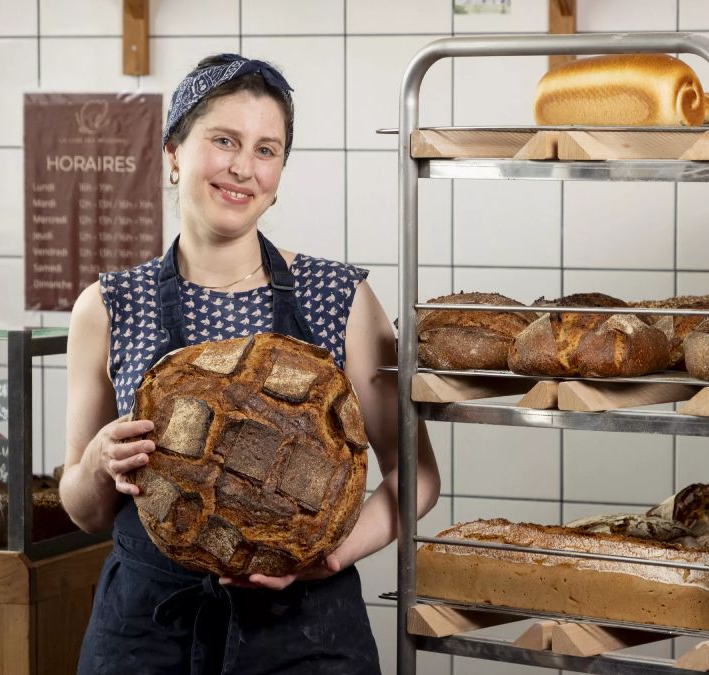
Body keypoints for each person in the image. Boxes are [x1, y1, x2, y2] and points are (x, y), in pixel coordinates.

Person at [59, 53, 441, 674]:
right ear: (174, 153)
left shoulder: (340, 297)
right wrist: (101, 461)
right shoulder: (107, 306)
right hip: (151, 632)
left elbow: (417, 476)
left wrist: (331, 557)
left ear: (281, 172)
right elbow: (83, 509)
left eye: (267, 150)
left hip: (306, 633)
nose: (243, 167)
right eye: (224, 140)